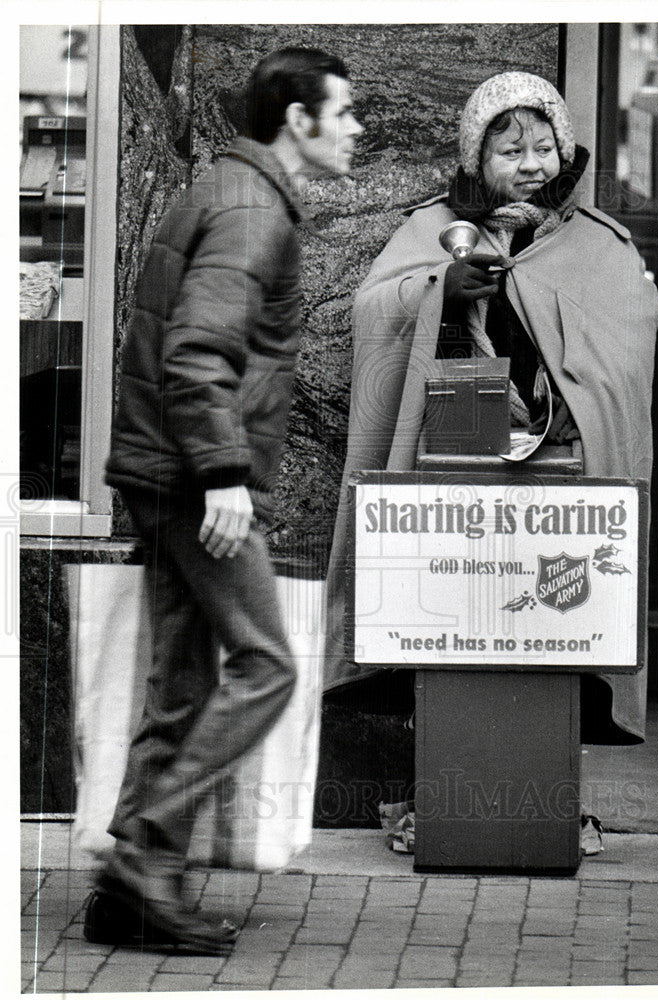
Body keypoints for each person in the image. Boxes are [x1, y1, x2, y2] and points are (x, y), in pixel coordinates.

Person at [90, 47, 362, 954]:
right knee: (267, 665)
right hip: (189, 477)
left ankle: (129, 894)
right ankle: (144, 851)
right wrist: (222, 476)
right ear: (298, 121)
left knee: (182, 684)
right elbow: (198, 355)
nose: (357, 129)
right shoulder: (252, 212)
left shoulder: (236, 193)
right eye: (345, 112)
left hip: (162, 471)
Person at [326, 71, 658, 747]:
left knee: (554, 620)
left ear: (563, 154)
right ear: (477, 158)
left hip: (563, 467)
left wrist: (575, 396)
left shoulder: (599, 245)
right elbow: (369, 311)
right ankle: (438, 793)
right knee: (450, 614)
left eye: (542, 147)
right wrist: (437, 288)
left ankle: (552, 791)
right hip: (454, 450)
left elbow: (625, 346)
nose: (530, 165)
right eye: (509, 151)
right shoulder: (431, 229)